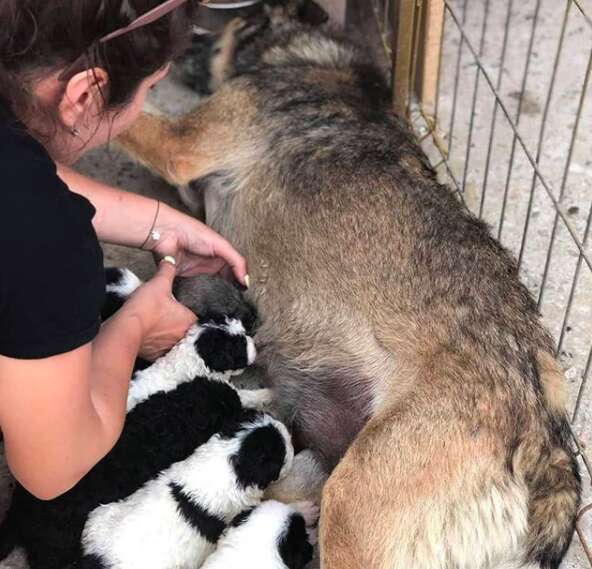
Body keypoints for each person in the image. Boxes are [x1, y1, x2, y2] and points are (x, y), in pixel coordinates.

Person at [0, 0, 249, 500]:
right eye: (149, 90)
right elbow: (53, 466)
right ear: (86, 94)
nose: (141, 109)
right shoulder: (47, 239)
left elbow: (18, 177)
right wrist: (134, 325)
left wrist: (159, 224)